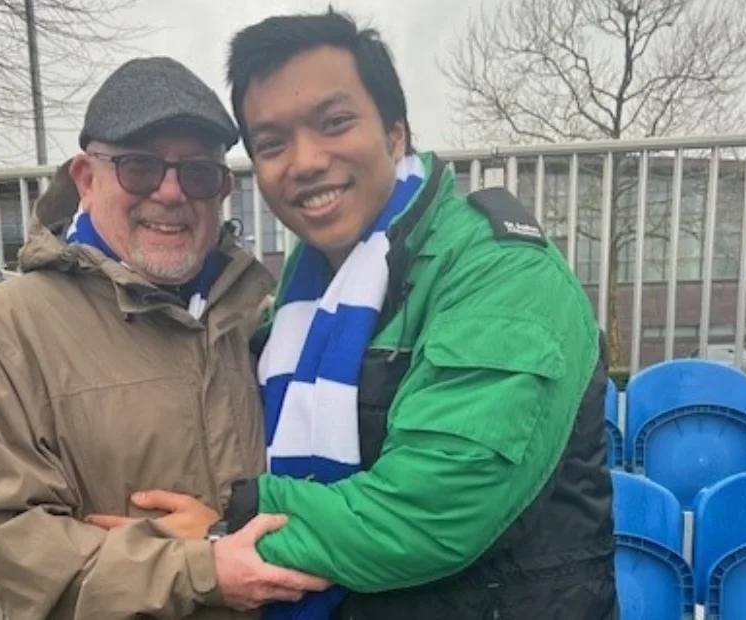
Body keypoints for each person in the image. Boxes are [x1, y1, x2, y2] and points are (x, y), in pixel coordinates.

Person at [99, 10, 618, 620]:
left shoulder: (501, 272)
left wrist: (226, 531)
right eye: (271, 143)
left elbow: (430, 513)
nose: (305, 160)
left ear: (395, 134)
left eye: (334, 123)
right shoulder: (306, 287)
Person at [0, 56, 330, 620]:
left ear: (222, 189)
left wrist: (222, 537)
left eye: (197, 172)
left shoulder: (262, 316)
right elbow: (6, 538)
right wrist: (201, 570)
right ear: (85, 178)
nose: (171, 192)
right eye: (140, 167)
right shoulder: (7, 329)